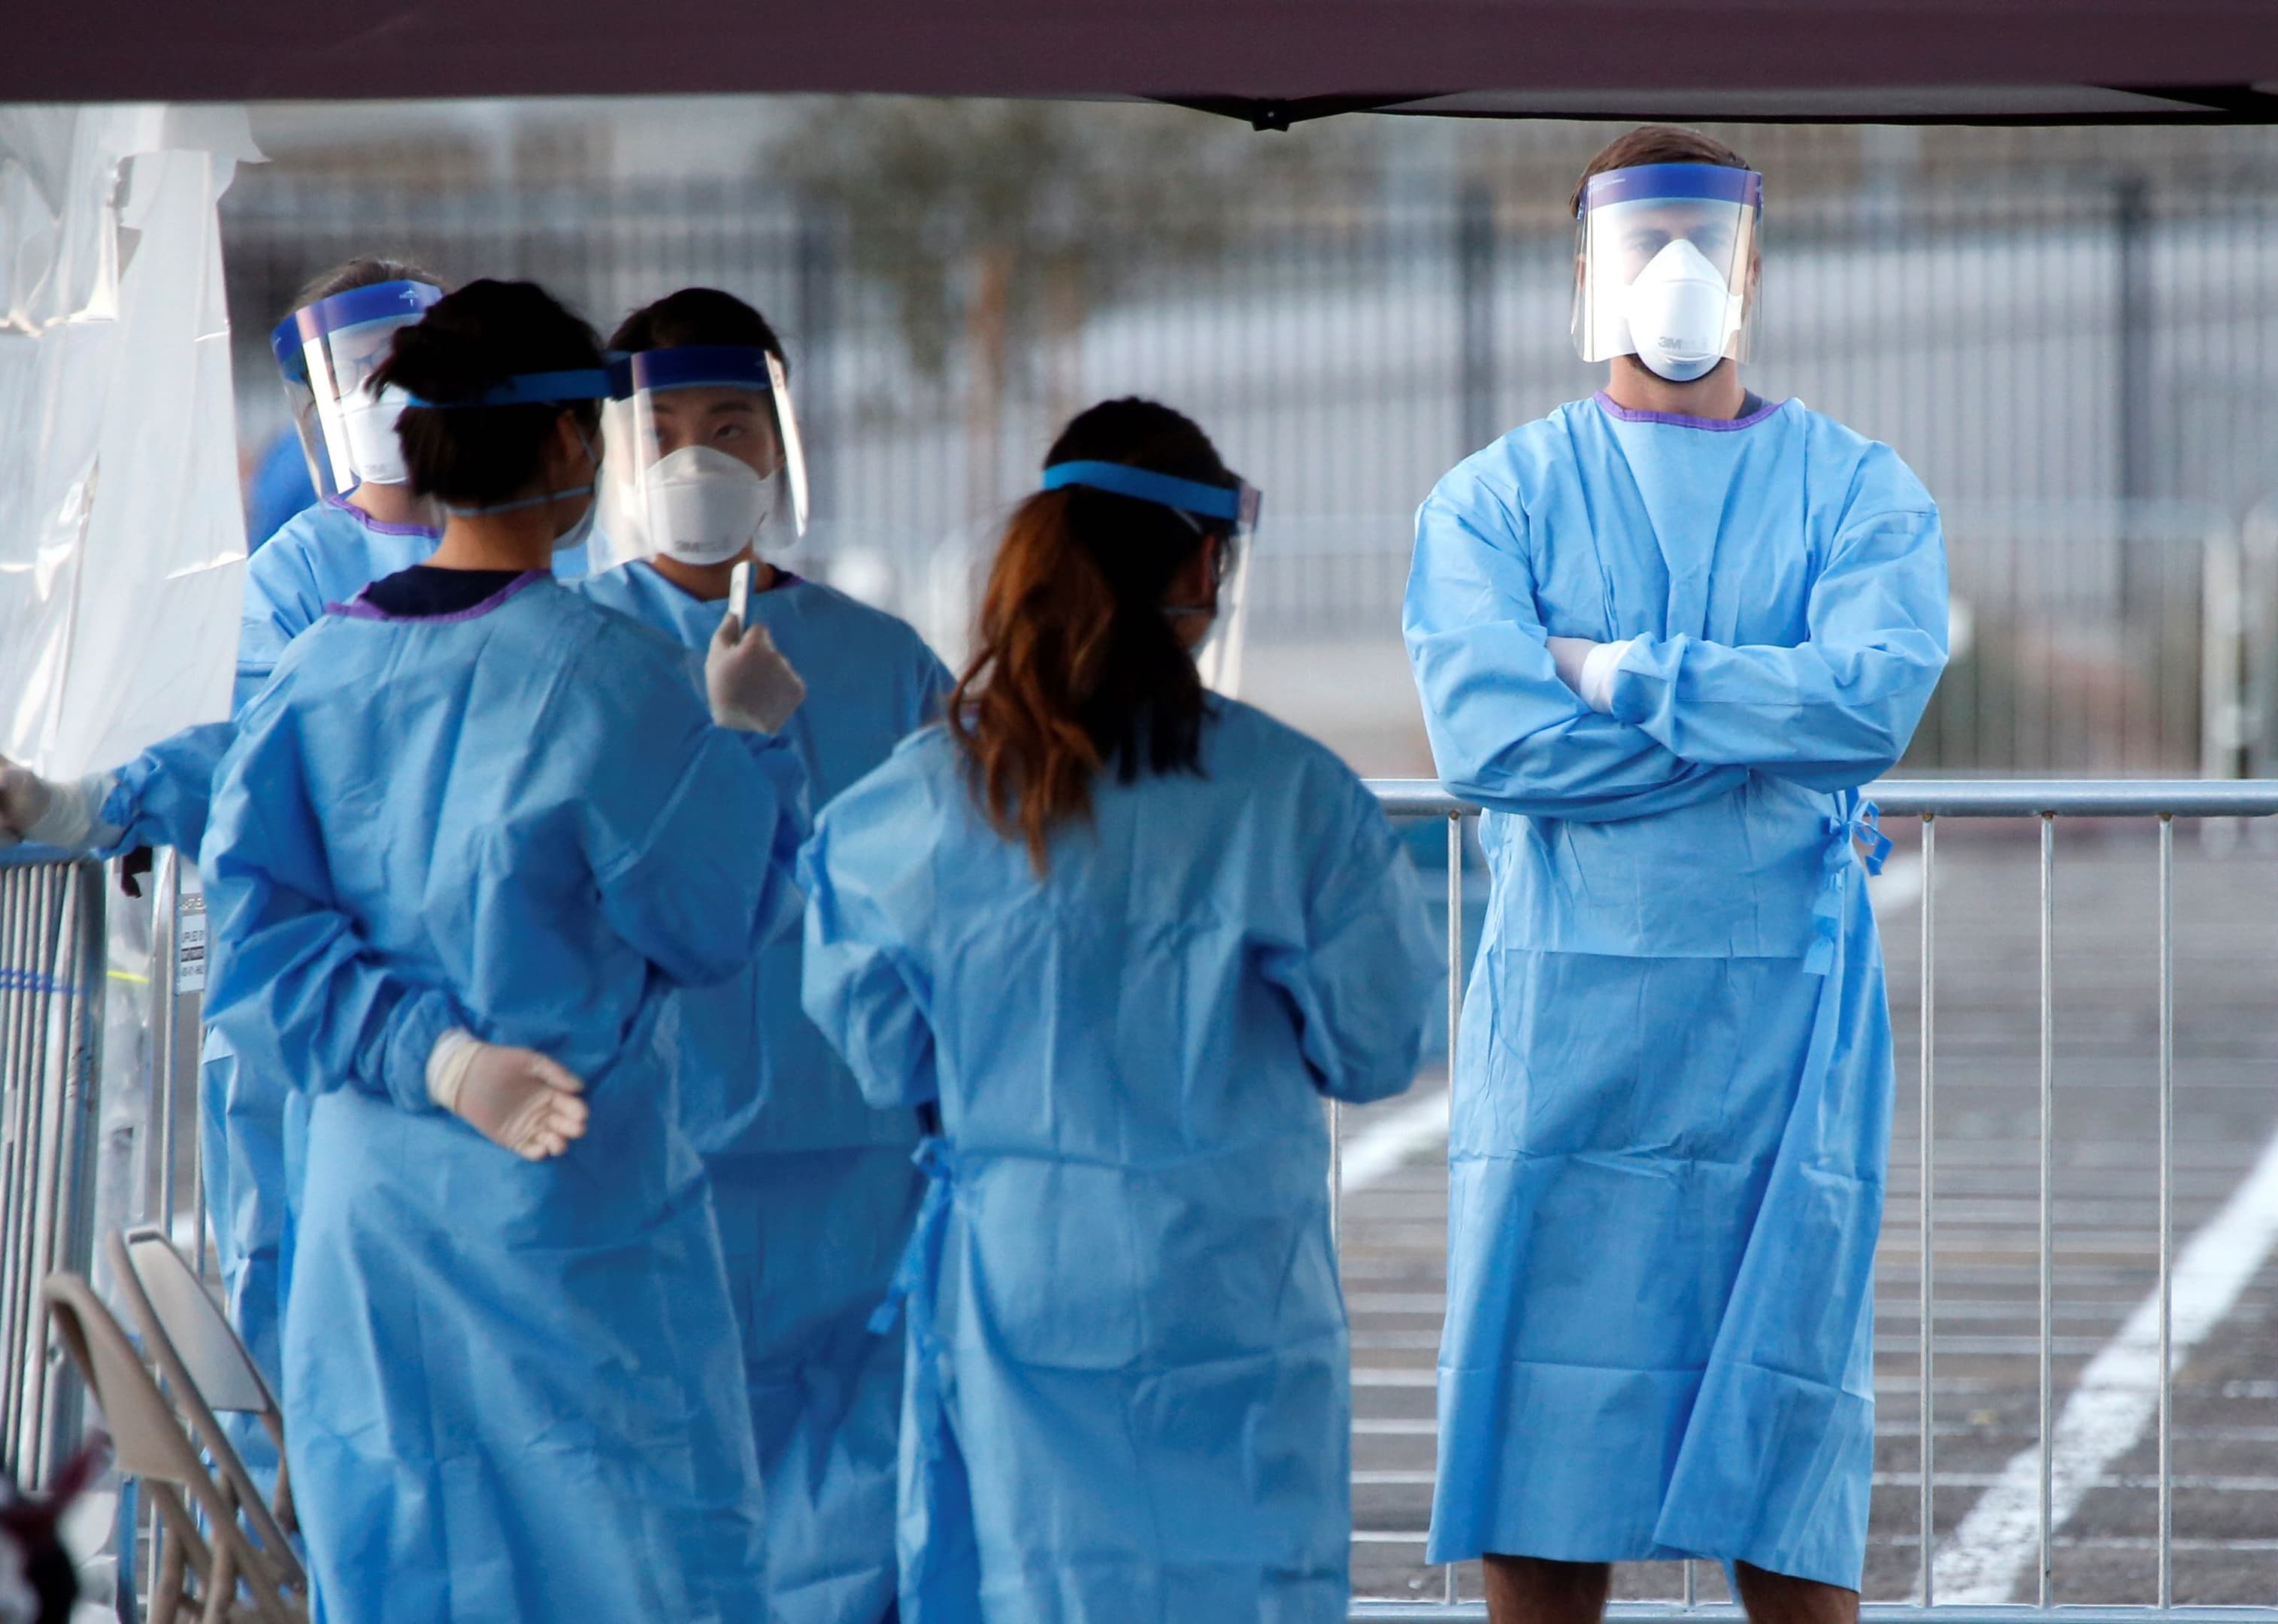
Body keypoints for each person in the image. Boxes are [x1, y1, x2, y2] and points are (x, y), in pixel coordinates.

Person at [200, 278, 812, 1623]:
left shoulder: (322, 674)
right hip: (566, 1238)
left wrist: (432, 1060)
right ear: (563, 448)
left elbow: (254, 948)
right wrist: (746, 747)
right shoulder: (604, 680)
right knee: (632, 1575)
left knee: (418, 1569)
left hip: (376, 1240)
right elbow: (713, 921)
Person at [1404, 126, 1949, 1623]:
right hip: (1568, 1050)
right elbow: (1496, 743)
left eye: (1709, 240)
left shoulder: (1860, 492)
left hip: (1786, 1044)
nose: (1679, 272)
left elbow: (1870, 704)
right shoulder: (1491, 503)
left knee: (1787, 1435)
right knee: (1542, 1445)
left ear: (1756, 266)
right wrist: (1752, 736)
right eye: (1644, 242)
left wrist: (1623, 672)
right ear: (1584, 271)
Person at [801, 397, 1441, 1624]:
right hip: (1231, 1301)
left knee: (1037, 1590)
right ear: (1207, 565)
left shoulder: (930, 797)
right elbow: (1373, 1046)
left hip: (1023, 1286)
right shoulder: (1291, 797)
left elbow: (881, 1049)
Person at [0, 256, 457, 1412]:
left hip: (481, 1003)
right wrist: (83, 804)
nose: (390, 399)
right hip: (314, 1011)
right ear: (315, 407)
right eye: (363, 377)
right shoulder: (292, 578)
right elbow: (233, 758)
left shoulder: (537, 563)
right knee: (302, 1333)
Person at [573, 286, 950, 1624]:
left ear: (783, 444)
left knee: (855, 1521)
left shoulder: (885, 663)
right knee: (656, 1518)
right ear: (608, 451)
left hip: (854, 1161)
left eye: (732, 424)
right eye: (662, 427)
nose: (699, 458)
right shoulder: (569, 655)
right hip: (642, 1161)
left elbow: (968, 897)